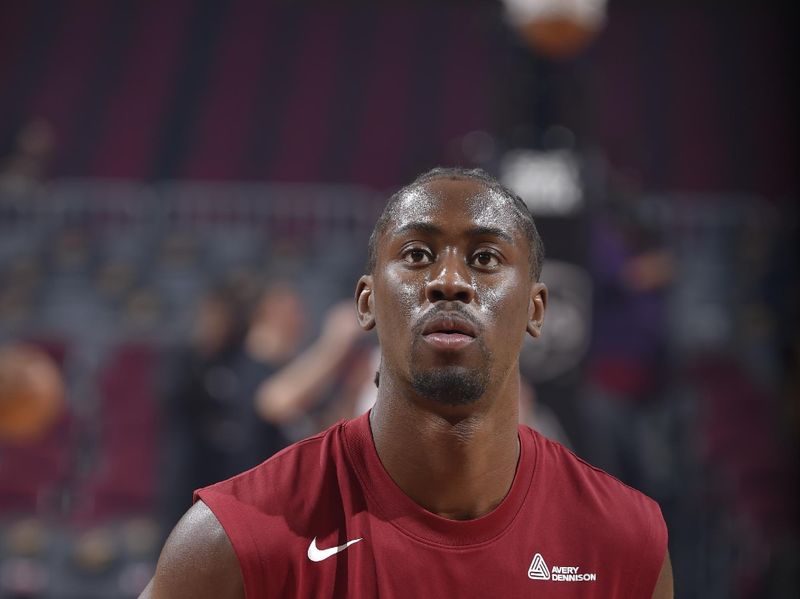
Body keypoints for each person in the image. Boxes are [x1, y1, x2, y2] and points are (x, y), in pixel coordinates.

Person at [141, 167, 673, 598]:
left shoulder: (624, 540)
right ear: (366, 303)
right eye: (417, 255)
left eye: (485, 258)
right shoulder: (230, 539)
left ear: (536, 309)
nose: (449, 281)